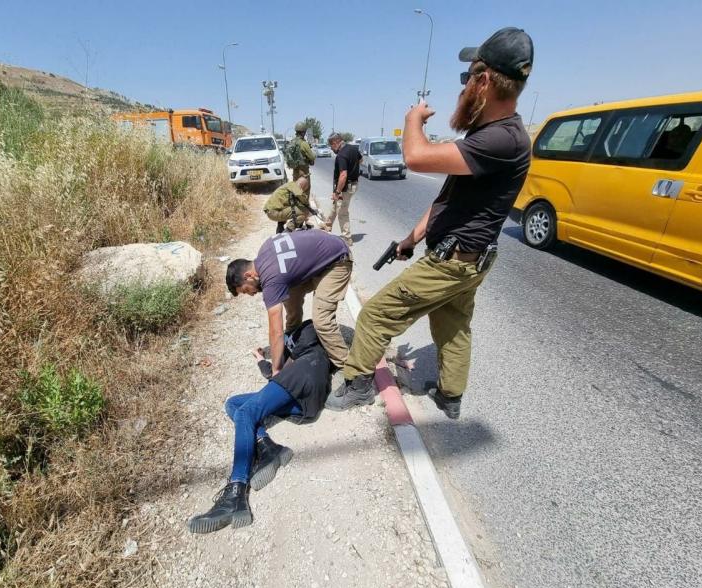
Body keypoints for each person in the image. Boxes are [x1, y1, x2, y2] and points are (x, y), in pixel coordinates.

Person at [326, 27, 534, 419]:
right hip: (467, 261)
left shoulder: (504, 139)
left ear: (484, 81)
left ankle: (357, 384)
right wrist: (410, 238)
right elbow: (448, 199)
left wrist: (412, 119)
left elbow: (416, 157)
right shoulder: (488, 135)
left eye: (468, 77)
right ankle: (450, 397)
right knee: (452, 326)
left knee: (376, 315)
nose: (464, 86)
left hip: (451, 262)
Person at [188, 321, 334, 533]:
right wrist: (260, 358)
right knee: (234, 404)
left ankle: (235, 493)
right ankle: (267, 447)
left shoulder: (307, 327)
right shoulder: (302, 341)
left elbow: (279, 369)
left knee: (246, 413)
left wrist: (276, 351)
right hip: (306, 401)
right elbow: (274, 370)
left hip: (301, 375)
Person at [226, 228, 352, 373]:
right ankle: (293, 335)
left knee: (322, 320)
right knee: (289, 294)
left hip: (337, 260)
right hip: (322, 254)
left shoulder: (271, 280)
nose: (252, 294)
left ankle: (353, 372)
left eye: (246, 290)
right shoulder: (264, 251)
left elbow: (276, 330)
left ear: (249, 276)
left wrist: (276, 369)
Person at [325, 132, 362, 246]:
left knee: (342, 212)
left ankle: (347, 238)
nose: (332, 149)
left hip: (345, 188)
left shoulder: (341, 155)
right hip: (353, 184)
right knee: (336, 204)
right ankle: (327, 227)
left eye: (332, 146)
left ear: (336, 142)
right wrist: (354, 170)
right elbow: (360, 160)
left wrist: (337, 191)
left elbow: (343, 175)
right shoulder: (353, 149)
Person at [290, 121, 316, 192]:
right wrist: (313, 152)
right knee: (305, 192)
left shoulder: (292, 142)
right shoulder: (304, 144)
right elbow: (312, 157)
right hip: (303, 172)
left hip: (295, 172)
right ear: (303, 132)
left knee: (296, 192)